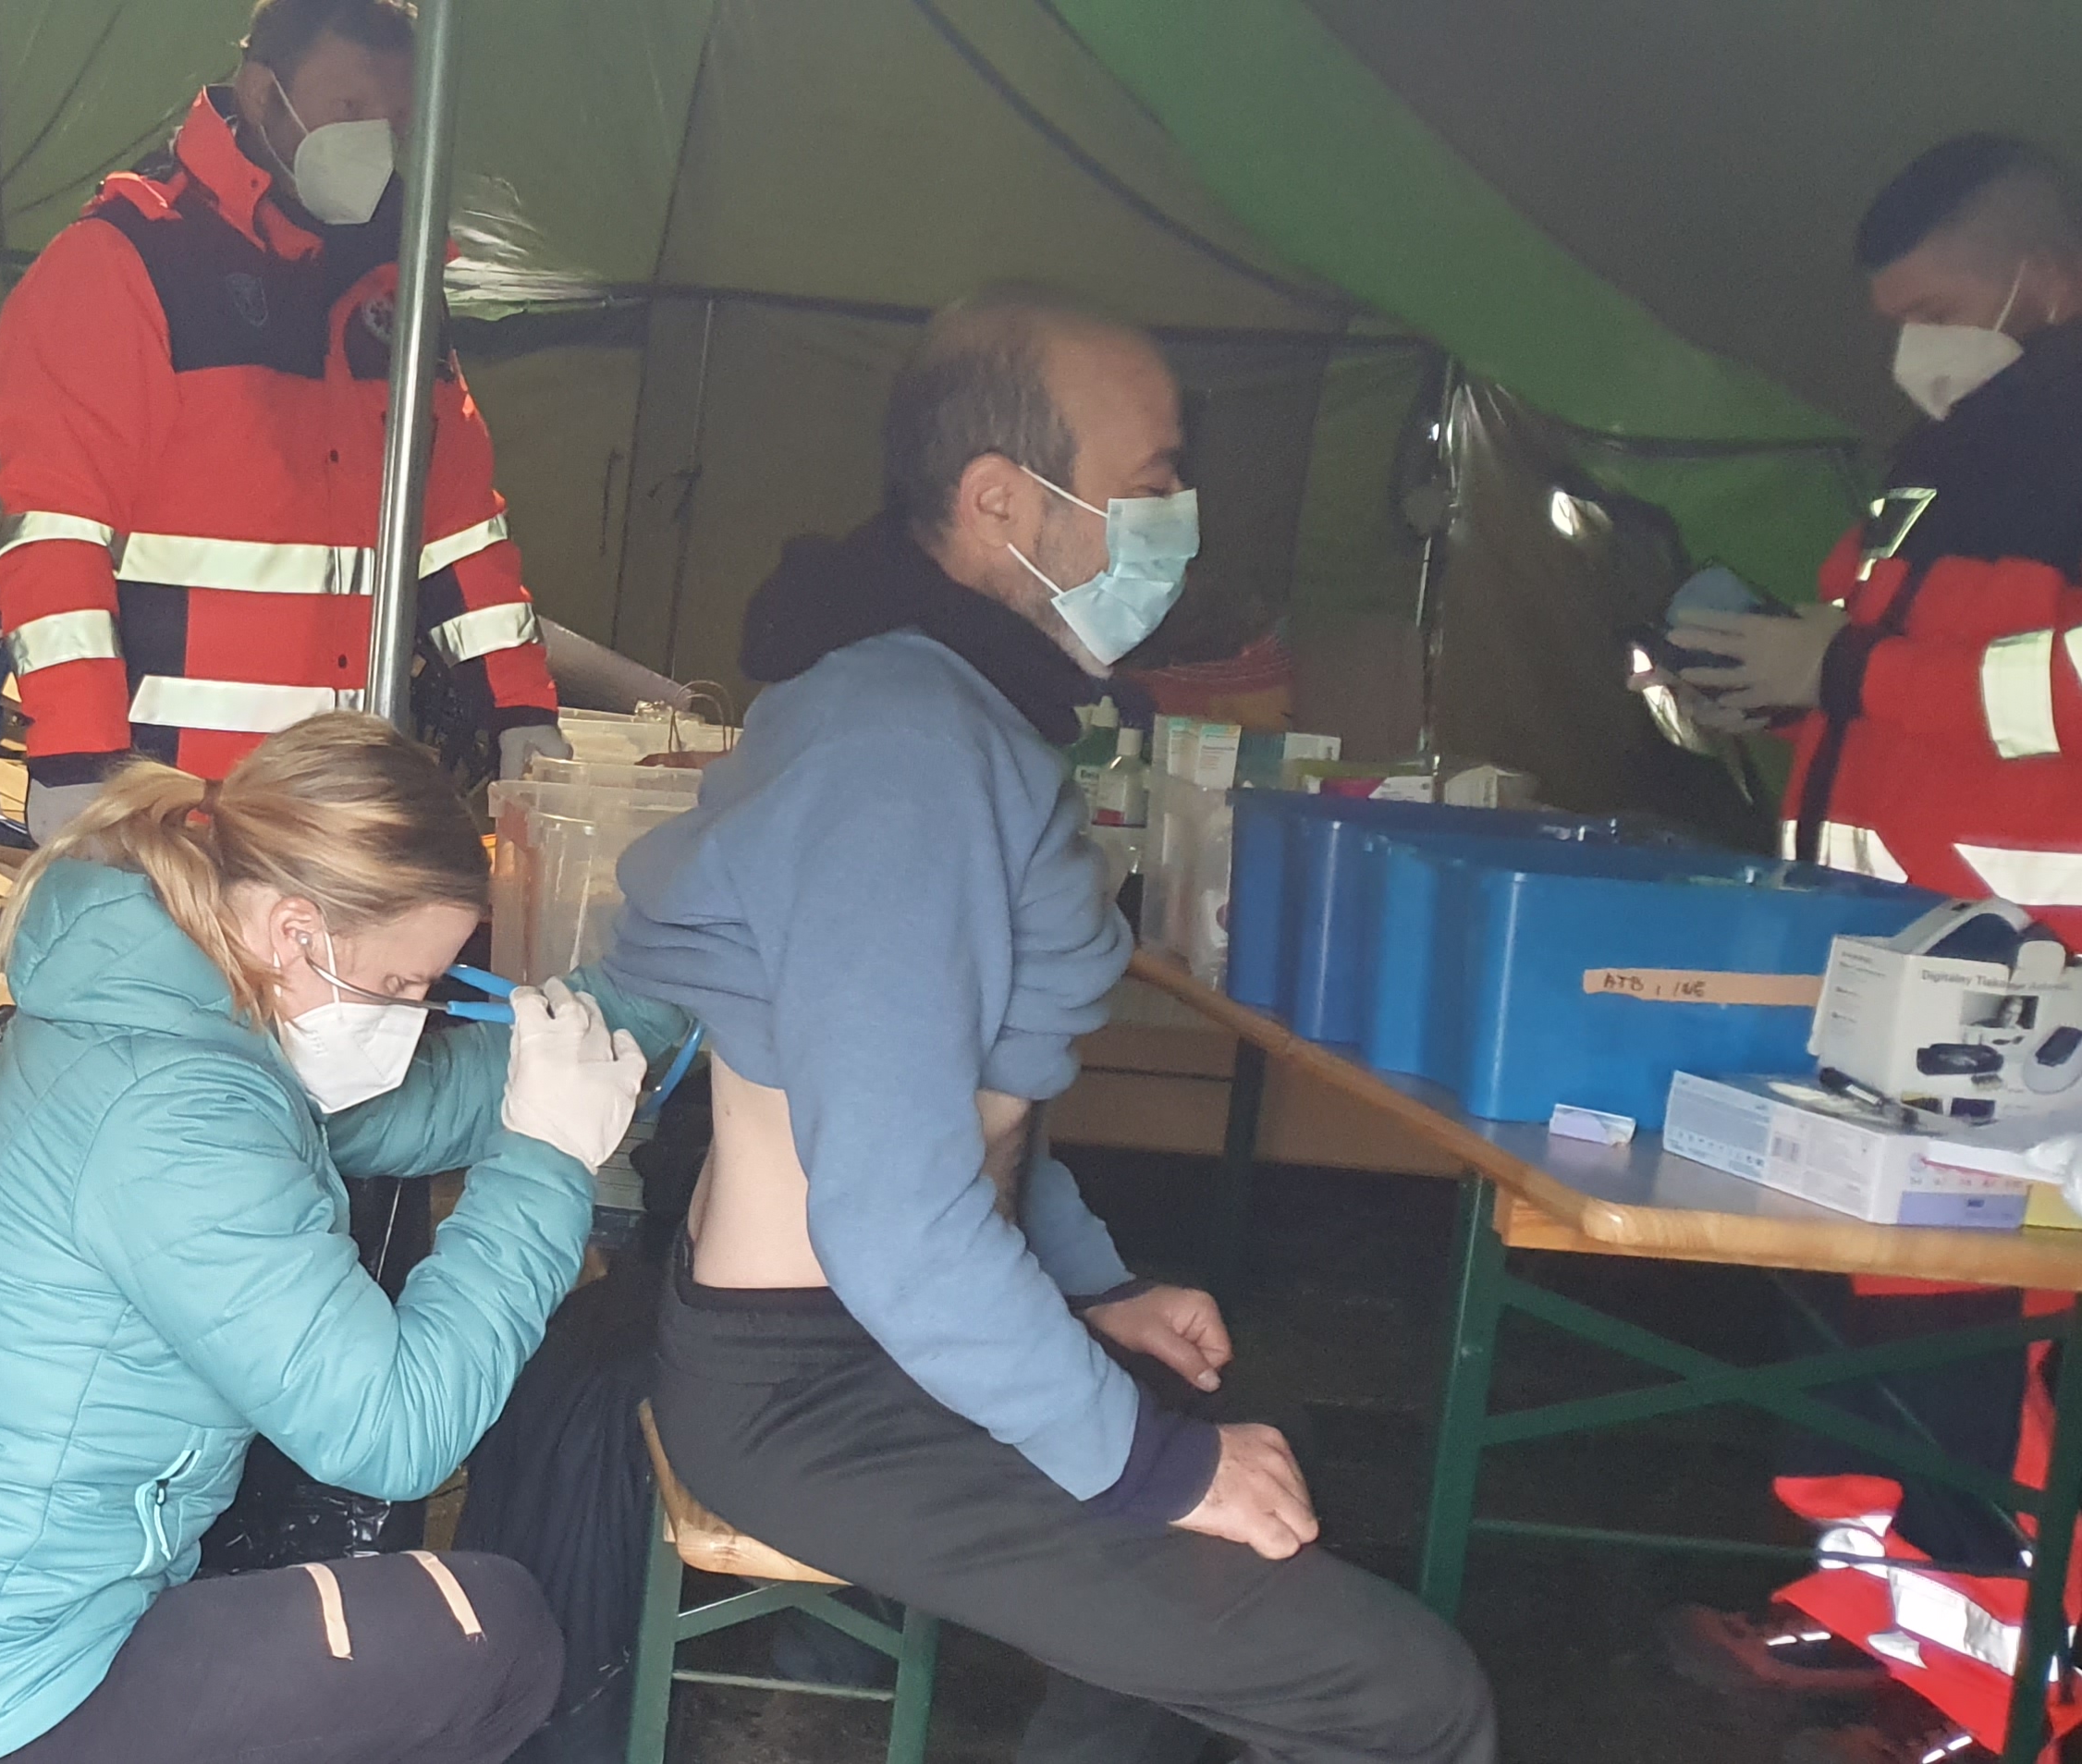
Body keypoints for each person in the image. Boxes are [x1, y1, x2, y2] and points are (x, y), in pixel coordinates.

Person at [604, 288, 1497, 1763]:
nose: (1176, 525)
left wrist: (1093, 1286)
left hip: (878, 1333)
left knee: (1265, 1442)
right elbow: (896, 1215)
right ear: (1001, 501)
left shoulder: (942, 706)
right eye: (1150, 485)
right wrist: (1153, 1467)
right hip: (818, 1383)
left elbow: (956, 1102)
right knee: (1400, 1691)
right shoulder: (903, 749)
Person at [0, 713, 684, 1764]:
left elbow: (424, 1105)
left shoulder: (176, 1003)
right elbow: (394, 1431)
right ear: (296, 930)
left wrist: (658, 991)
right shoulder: (178, 1110)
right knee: (498, 1637)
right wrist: (547, 1160)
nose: (408, 1014)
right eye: (397, 987)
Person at [1660, 134, 2082, 1764]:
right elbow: (1874, 655)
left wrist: (1839, 676)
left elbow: (2048, 691)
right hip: (1872, 973)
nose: (1915, 347)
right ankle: (1866, 1610)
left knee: (1989, 1344)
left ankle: (2007, 1692)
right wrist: (1775, 684)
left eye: (1938, 310)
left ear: (2042, 279)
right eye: (1894, 321)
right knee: (1861, 1318)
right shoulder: (1937, 457)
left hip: (2026, 989)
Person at [0, 0, 570, 834]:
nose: (376, 140)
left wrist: (519, 707)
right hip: (174, 805)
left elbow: (456, 525)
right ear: (264, 93)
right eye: (349, 108)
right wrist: (77, 759)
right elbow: (56, 538)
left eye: (397, 121)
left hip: (340, 800)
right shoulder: (124, 263)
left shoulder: (395, 289)